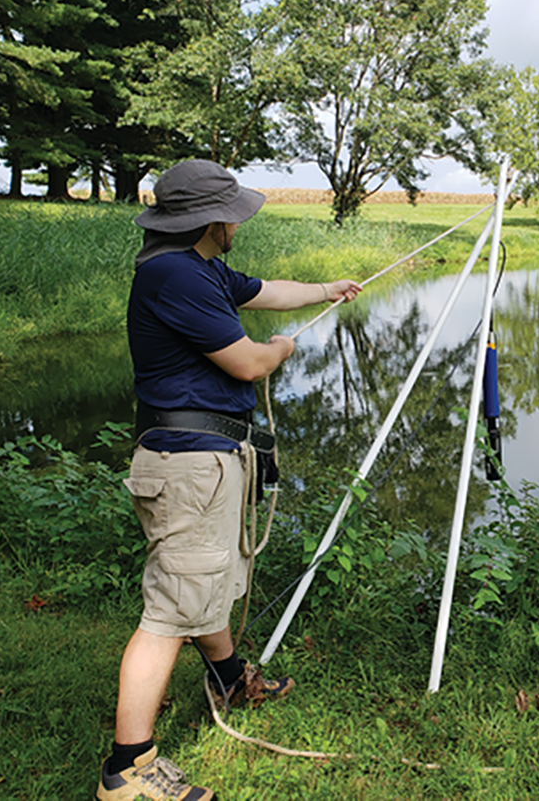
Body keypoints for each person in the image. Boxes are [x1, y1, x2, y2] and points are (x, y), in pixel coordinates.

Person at [97, 159, 361, 801]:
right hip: (189, 465)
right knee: (169, 610)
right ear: (214, 219)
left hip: (206, 462)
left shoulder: (199, 266)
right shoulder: (174, 274)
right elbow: (246, 363)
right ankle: (127, 769)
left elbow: (266, 289)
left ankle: (228, 676)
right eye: (235, 212)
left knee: (206, 579)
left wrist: (328, 289)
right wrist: (280, 352)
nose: (240, 220)